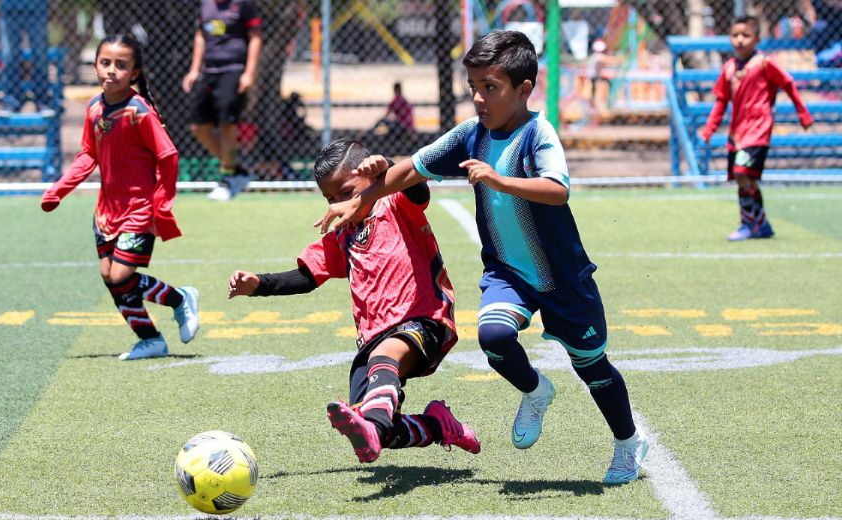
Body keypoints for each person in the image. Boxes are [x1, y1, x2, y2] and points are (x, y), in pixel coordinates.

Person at [316, 31, 648, 485]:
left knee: (591, 366)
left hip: (563, 277)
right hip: (508, 272)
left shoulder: (538, 133)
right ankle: (535, 390)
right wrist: (361, 199)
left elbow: (558, 189)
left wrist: (499, 180)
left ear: (524, 89)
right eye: (473, 86)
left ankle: (628, 442)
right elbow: (411, 168)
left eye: (490, 87)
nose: (478, 98)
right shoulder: (471, 134)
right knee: (493, 336)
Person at [228, 138, 480, 464]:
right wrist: (259, 284)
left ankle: (380, 417)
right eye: (330, 198)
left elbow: (416, 186)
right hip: (372, 338)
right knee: (376, 426)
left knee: (385, 359)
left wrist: (387, 168)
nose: (338, 204)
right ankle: (438, 426)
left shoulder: (395, 202)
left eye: (346, 193)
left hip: (423, 317)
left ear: (372, 180)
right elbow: (307, 276)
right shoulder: (342, 234)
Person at [40, 34, 199, 360]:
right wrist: (60, 189)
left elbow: (168, 155)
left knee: (120, 276)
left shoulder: (138, 111)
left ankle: (180, 299)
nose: (111, 70)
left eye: (121, 65)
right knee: (109, 276)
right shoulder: (94, 108)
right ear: (96, 66)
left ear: (134, 73)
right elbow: (88, 155)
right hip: (105, 212)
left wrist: (161, 203)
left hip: (138, 209)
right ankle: (150, 340)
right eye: (105, 62)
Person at [701, 16, 813, 241]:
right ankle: (761, 224)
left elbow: (788, 83)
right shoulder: (729, 68)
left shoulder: (764, 63)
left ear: (757, 39)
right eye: (735, 35)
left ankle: (749, 224)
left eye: (746, 35)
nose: (740, 40)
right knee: (747, 179)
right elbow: (721, 101)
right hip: (737, 133)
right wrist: (709, 129)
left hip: (758, 130)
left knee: (741, 173)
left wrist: (803, 113)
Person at [181, 0, 263, 201]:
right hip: (209, 71)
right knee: (198, 126)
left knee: (227, 124)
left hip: (234, 70)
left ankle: (228, 178)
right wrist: (194, 70)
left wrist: (249, 73)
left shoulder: (243, 5)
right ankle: (236, 170)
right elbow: (200, 34)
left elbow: (255, 37)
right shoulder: (205, 5)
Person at [0, 0, 51, 114]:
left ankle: (42, 101)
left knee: (40, 55)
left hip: (37, 7)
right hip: (10, 8)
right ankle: (11, 101)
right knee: (9, 56)